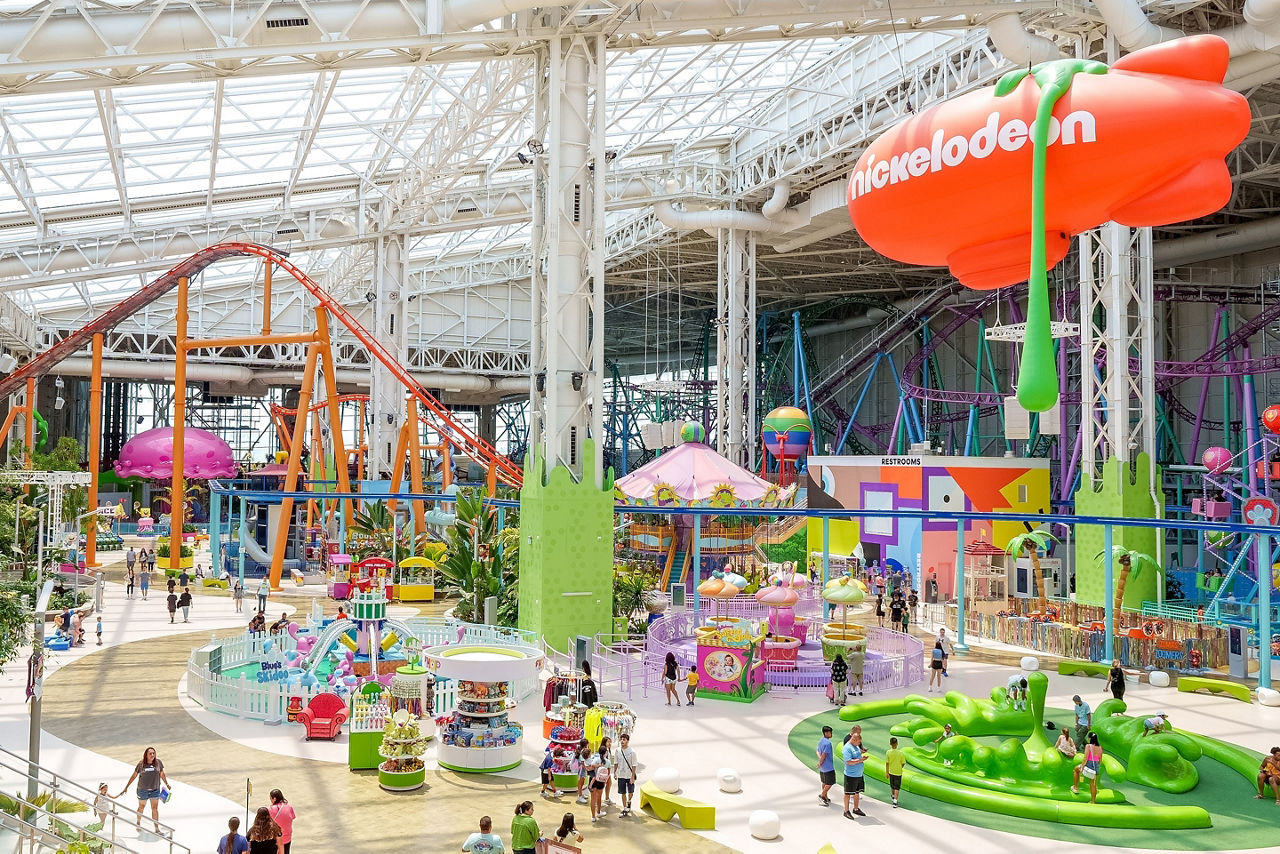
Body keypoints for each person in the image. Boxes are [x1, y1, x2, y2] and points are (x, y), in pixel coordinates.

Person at [117, 746, 169, 832]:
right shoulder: (141, 764)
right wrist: (126, 787)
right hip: (142, 790)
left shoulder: (158, 763)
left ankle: (156, 828)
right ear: (146, 755)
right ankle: (138, 822)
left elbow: (162, 774)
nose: (152, 755)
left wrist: (167, 783)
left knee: (155, 808)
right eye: (150, 754)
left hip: (155, 790)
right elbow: (134, 776)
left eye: (153, 753)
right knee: (141, 807)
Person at [842, 727, 867, 819]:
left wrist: (862, 757)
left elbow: (857, 753)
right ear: (854, 739)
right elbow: (848, 761)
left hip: (858, 774)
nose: (860, 744)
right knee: (848, 793)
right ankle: (846, 810)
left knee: (857, 792)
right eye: (859, 742)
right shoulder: (847, 748)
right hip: (851, 775)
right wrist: (859, 760)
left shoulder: (855, 746)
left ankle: (856, 809)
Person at [1071, 732, 1103, 803]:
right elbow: (1100, 760)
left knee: (1076, 769)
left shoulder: (1088, 746)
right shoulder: (1100, 747)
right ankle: (1093, 801)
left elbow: (1085, 758)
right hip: (1096, 766)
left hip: (1089, 764)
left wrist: (1082, 767)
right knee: (1093, 784)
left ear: (1090, 738)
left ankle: (1075, 787)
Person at [613, 733, 638, 816]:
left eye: (624, 739)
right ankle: (625, 808)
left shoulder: (632, 752)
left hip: (629, 775)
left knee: (631, 791)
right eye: (621, 739)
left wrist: (632, 776)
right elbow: (616, 762)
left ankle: (629, 801)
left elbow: (634, 765)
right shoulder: (617, 751)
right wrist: (615, 772)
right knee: (622, 792)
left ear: (627, 741)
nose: (622, 741)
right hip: (621, 775)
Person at [588, 736, 611, 821]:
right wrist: (606, 780)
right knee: (599, 797)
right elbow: (608, 772)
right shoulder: (608, 762)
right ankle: (599, 812)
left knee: (593, 799)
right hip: (601, 781)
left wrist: (598, 766)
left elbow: (592, 766)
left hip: (594, 780)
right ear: (605, 753)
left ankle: (593, 816)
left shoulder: (596, 759)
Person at [267, 789, 295, 854]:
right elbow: (292, 817)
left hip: (275, 839)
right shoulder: (289, 806)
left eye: (270, 798)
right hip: (287, 837)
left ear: (274, 799)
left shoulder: (270, 809)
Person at [816, 725, 836, 806]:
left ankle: (825, 797)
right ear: (826, 733)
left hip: (823, 767)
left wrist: (820, 762)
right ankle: (822, 795)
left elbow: (817, 751)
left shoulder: (821, 741)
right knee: (830, 782)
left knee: (824, 782)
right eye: (830, 732)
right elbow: (824, 755)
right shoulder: (828, 743)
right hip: (828, 767)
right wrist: (820, 762)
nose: (831, 734)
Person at [885, 736, 906, 808]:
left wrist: (887, 772)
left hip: (891, 771)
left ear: (890, 744)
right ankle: (895, 801)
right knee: (897, 787)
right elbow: (903, 763)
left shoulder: (888, 752)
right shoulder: (901, 753)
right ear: (897, 744)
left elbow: (887, 763)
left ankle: (893, 796)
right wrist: (900, 767)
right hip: (898, 772)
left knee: (892, 785)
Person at [574, 739, 591, 805]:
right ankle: (579, 796)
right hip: (581, 770)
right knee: (580, 783)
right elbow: (582, 763)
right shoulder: (582, 752)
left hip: (582, 770)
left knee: (582, 782)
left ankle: (581, 794)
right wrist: (587, 768)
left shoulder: (582, 750)